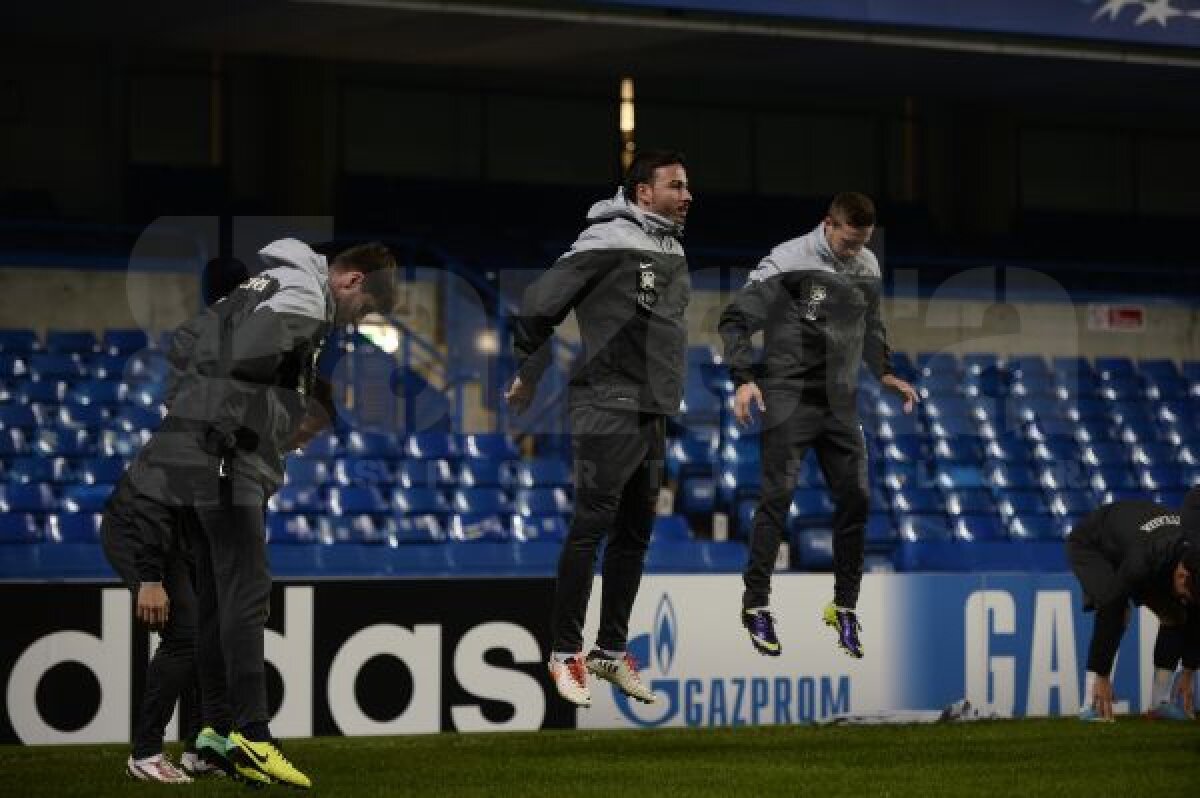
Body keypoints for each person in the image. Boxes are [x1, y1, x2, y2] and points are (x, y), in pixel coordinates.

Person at [123, 238, 395, 786]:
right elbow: (241, 358)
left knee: (220, 602)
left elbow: (191, 340)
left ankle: (214, 733)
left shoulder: (267, 285)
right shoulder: (305, 297)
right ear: (352, 281)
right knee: (247, 595)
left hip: (202, 453)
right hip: (226, 455)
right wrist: (245, 424)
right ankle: (253, 735)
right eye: (362, 310)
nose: (354, 321)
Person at [507, 150, 692, 707]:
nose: (688, 196)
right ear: (643, 192)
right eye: (677, 186)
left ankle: (609, 650)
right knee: (592, 525)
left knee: (635, 533)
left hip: (652, 409)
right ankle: (565, 652)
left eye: (688, 187)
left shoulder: (670, 246)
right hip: (607, 403)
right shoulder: (607, 238)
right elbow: (541, 303)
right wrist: (529, 368)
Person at [718, 192, 917, 660]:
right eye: (848, 242)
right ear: (828, 224)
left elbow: (871, 324)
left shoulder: (866, 264)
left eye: (862, 243)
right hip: (788, 394)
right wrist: (744, 379)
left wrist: (884, 370)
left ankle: (844, 606)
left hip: (841, 400)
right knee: (777, 498)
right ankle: (756, 605)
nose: (854, 252)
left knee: (858, 497)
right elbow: (735, 319)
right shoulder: (788, 260)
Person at [101, 477, 233, 783]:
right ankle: (145, 755)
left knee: (213, 630)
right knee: (184, 631)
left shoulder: (255, 449)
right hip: (140, 526)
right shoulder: (197, 438)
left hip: (185, 533)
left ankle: (202, 751)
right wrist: (150, 578)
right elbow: (150, 503)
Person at [1067, 498, 1199, 722]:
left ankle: (1159, 704)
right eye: (1185, 591)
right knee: (1119, 613)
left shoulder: (1194, 556)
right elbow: (1111, 608)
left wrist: (1188, 671)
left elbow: (1196, 614)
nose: (1184, 597)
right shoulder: (1143, 560)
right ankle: (1090, 703)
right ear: (1181, 575)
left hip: (1135, 537)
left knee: (1176, 614)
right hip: (1095, 545)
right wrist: (1102, 675)